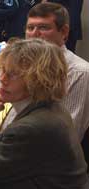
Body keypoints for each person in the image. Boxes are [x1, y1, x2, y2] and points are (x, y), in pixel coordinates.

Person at [0, 38, 89, 189]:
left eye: (12, 74)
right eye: (2, 71)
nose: (2, 79)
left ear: (39, 78)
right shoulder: (49, 108)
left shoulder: (34, 127)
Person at [24, 2, 89, 142]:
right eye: (30, 28)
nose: (34, 34)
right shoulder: (22, 65)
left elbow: (69, 132)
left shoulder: (79, 72)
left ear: (64, 32)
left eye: (43, 27)